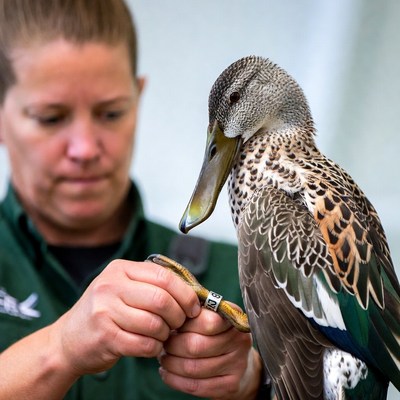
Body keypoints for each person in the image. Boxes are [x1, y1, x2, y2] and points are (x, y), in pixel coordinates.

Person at [0, 1, 266, 399]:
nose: (85, 148)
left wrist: (253, 382)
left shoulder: (247, 275)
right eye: (50, 118)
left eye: (111, 113)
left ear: (138, 99)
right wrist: (59, 350)